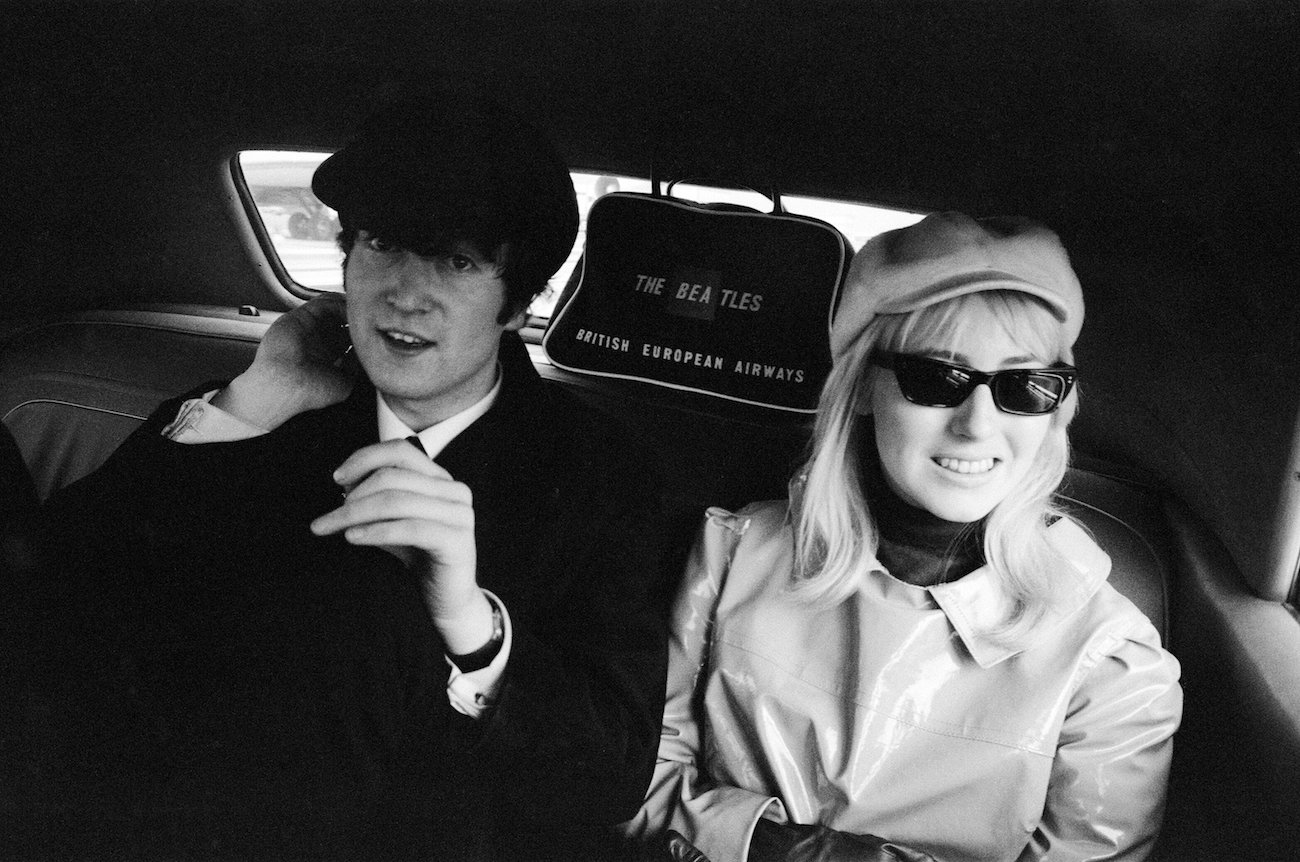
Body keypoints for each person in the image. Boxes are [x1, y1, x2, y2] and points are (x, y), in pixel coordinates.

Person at [16, 94, 667, 860]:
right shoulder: (276, 401)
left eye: (455, 261)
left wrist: (471, 626)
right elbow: (51, 592)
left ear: (517, 304)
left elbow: (609, 782)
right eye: (383, 243)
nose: (404, 291)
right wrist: (248, 403)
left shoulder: (594, 471)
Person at [619, 212, 1183, 862]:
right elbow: (637, 785)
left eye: (1024, 386)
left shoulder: (1112, 662)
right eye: (938, 377)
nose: (977, 424)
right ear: (861, 387)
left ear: (1054, 408)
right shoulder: (732, 553)